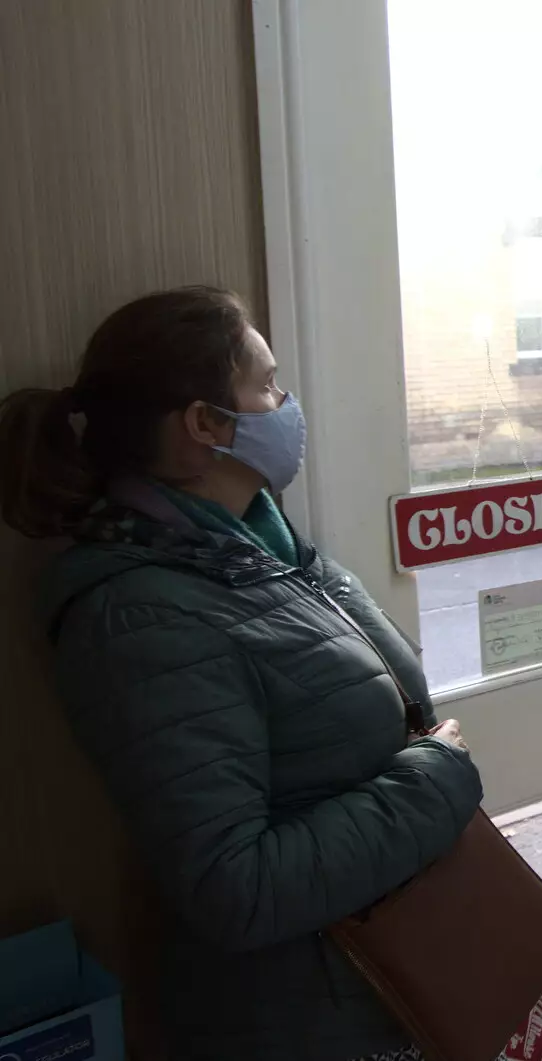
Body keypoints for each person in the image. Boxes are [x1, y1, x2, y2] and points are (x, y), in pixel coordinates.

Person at [0, 288, 483, 1061]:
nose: (287, 405)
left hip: (386, 985)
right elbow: (238, 888)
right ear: (206, 424)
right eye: (268, 385)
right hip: (305, 1026)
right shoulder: (138, 615)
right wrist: (439, 778)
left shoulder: (262, 547)